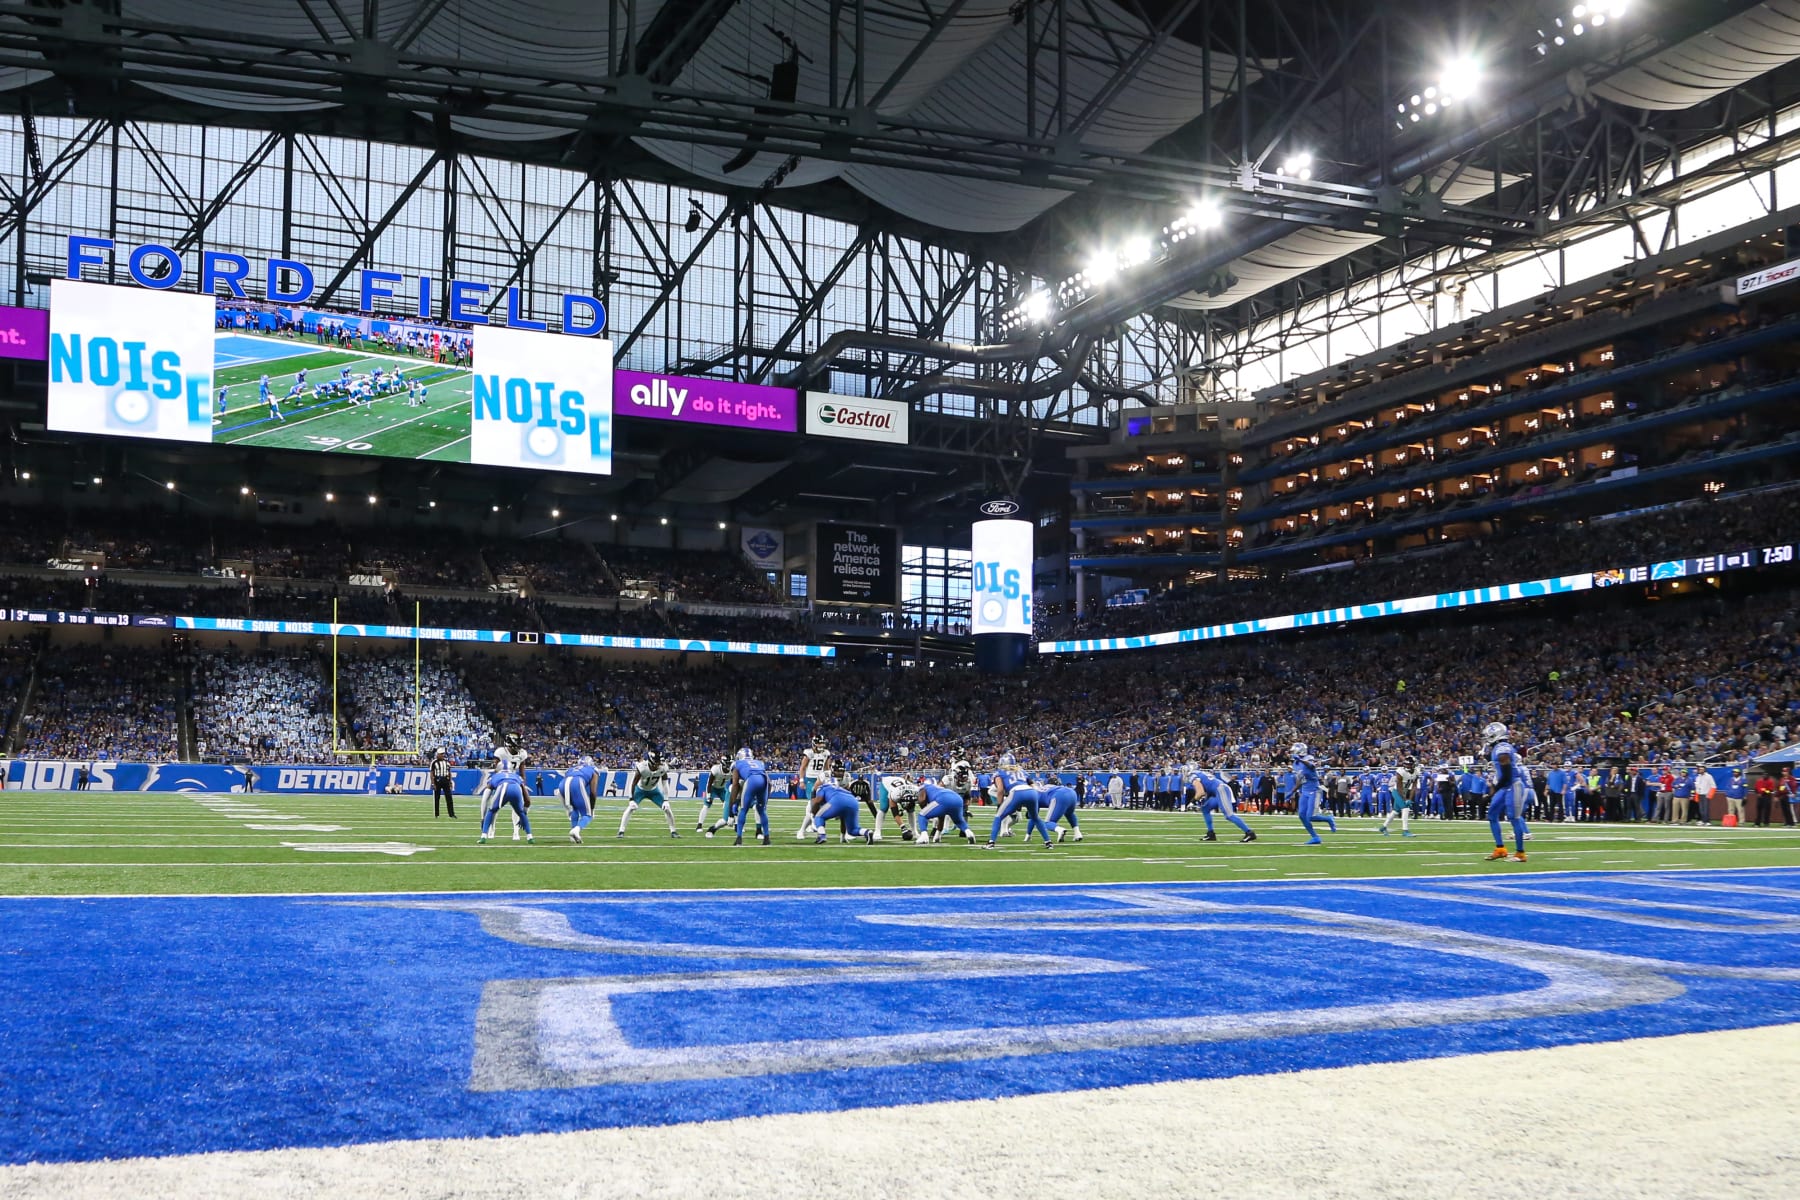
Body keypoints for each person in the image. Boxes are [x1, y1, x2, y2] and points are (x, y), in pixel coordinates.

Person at [1481, 722, 1529, 863]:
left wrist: (1494, 789)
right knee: (1492, 815)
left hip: (1512, 784)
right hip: (1505, 786)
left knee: (1514, 818)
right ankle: (1500, 849)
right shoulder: (1499, 748)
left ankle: (1520, 853)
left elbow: (1507, 773)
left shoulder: (1502, 748)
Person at [985, 768, 1054, 849]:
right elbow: (1033, 784)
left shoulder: (999, 772)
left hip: (1016, 792)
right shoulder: (1021, 770)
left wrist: (1000, 805)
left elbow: (1000, 790)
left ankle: (991, 842)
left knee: (998, 816)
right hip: (1032, 792)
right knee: (1035, 818)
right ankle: (1048, 842)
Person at [617, 749, 679, 838]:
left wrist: (666, 799)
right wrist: (631, 799)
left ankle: (673, 831)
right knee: (630, 808)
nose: (659, 765)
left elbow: (665, 783)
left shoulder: (663, 767)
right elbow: (633, 783)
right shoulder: (642, 767)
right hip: (640, 790)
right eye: (657, 763)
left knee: (667, 808)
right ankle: (621, 831)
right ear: (651, 762)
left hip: (654, 791)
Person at [1191, 765, 1255, 843]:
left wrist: (1192, 802)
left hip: (1221, 790)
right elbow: (1207, 788)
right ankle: (1211, 833)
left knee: (1229, 815)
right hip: (1218, 790)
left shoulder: (1193, 776)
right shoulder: (1201, 773)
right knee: (1205, 808)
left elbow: (1200, 792)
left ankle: (1249, 833)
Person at [810, 769, 875, 845]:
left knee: (819, 817)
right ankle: (867, 832)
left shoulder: (822, 787)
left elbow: (818, 801)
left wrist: (814, 813)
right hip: (853, 801)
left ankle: (822, 835)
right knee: (852, 830)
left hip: (837, 800)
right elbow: (842, 820)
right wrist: (843, 837)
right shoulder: (840, 788)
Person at [477, 764, 532, 844]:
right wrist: (524, 813)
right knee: (520, 812)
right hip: (516, 788)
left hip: (503, 788)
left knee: (491, 810)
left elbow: (485, 799)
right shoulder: (516, 777)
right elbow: (527, 799)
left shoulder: (495, 777)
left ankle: (484, 836)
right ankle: (530, 837)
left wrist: (483, 818)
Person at [1291, 743, 1334, 844]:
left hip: (1314, 789)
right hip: (1305, 790)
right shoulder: (1295, 764)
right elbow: (1300, 779)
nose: (1293, 753)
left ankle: (1328, 819)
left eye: (1294, 751)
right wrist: (1292, 791)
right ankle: (1315, 837)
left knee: (1310, 816)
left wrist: (1301, 760)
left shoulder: (1308, 757)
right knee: (1301, 815)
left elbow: (1311, 765)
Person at [731, 747, 772, 846]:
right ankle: (766, 838)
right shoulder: (759, 763)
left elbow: (735, 785)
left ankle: (739, 838)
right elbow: (769, 782)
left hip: (752, 780)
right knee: (761, 810)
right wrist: (766, 798)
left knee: (744, 809)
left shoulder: (737, 764)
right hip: (763, 781)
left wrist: (732, 802)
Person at [914, 778, 975, 844]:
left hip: (943, 799)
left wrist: (924, 809)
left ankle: (924, 837)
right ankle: (969, 833)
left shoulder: (924, 787)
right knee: (959, 821)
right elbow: (941, 818)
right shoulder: (937, 788)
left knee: (922, 815)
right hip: (957, 798)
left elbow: (922, 801)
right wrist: (938, 835)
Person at [559, 755, 600, 843]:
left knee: (575, 808)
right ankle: (576, 830)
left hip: (562, 784)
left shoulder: (571, 769)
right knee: (588, 815)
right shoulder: (593, 769)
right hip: (577, 782)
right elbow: (593, 792)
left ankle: (573, 836)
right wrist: (592, 808)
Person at [697, 755, 735, 836]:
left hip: (722, 789)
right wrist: (708, 795)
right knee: (706, 805)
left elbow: (733, 782)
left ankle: (737, 825)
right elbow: (709, 783)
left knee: (731, 805)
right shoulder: (716, 769)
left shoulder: (732, 770)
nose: (729, 764)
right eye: (728, 763)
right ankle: (699, 825)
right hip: (713, 788)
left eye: (730, 763)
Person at [1378, 763, 1416, 838]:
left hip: (1404, 792)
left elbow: (1414, 787)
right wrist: (1405, 799)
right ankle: (1405, 831)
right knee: (1405, 808)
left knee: (1395, 811)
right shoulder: (1401, 773)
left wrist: (1410, 799)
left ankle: (1383, 827)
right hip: (1397, 791)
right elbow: (1399, 787)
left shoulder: (1415, 773)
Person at [1043, 776, 1084, 842]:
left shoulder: (1041, 789)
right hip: (1072, 793)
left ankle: (1060, 830)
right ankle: (1077, 833)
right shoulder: (1059, 786)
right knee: (1069, 814)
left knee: (1048, 822)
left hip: (1059, 795)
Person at [430, 747, 456, 818]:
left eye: (443, 754)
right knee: (436, 798)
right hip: (437, 780)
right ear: (438, 754)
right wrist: (433, 783)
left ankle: (451, 814)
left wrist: (450, 782)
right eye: (441, 754)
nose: (442, 755)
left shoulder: (447, 762)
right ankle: (436, 814)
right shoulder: (434, 762)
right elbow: (432, 773)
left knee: (449, 798)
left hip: (445, 780)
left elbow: (449, 772)